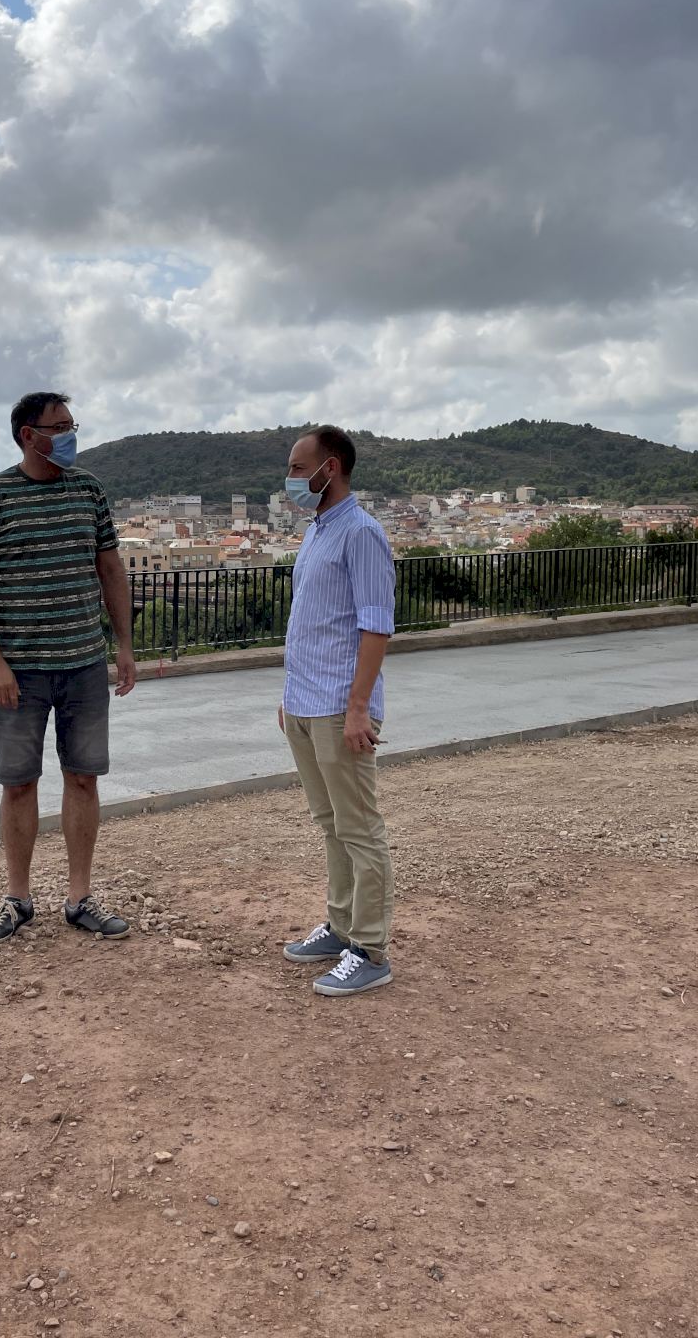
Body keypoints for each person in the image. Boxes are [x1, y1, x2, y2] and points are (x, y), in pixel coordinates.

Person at [0, 391, 137, 944]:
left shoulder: (89, 490)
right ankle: (17, 898)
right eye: (59, 426)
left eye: (71, 424)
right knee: (19, 783)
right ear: (27, 435)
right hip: (20, 671)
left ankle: (80, 898)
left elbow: (111, 569)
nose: (69, 434)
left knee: (83, 778)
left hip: (84, 663)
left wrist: (124, 644)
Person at [277, 425, 397, 995]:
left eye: (299, 468)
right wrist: (288, 697)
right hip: (305, 702)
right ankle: (341, 926)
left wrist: (357, 709)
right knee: (331, 825)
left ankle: (370, 949)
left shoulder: (362, 533)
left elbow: (376, 626)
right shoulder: (319, 530)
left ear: (332, 468)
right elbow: (313, 621)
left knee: (359, 827)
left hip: (338, 707)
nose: (290, 478)